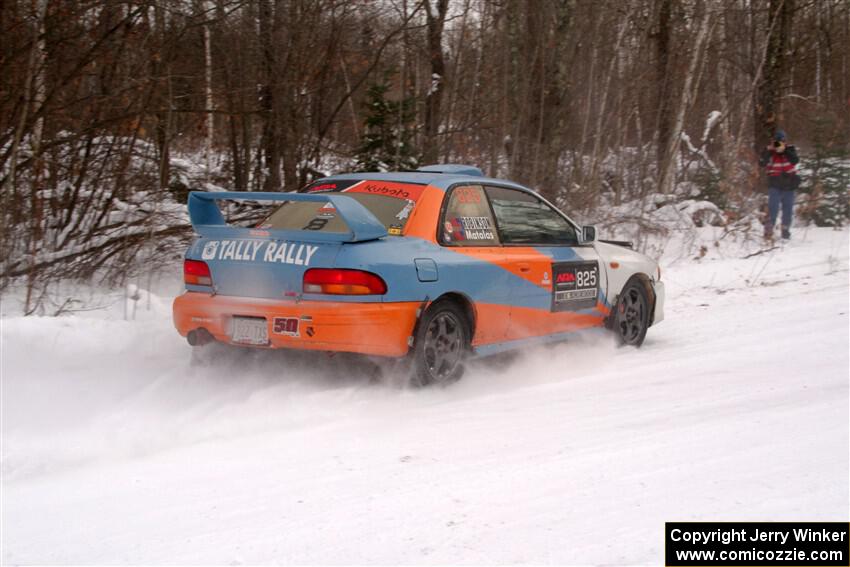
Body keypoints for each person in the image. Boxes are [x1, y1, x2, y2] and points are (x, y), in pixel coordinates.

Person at [759, 129, 800, 240]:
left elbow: (795, 160)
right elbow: (762, 163)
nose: (779, 144)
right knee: (773, 208)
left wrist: (784, 150)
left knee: (788, 209)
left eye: (781, 141)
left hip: (789, 184)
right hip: (775, 184)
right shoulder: (769, 151)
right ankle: (768, 230)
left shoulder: (790, 149)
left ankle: (785, 230)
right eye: (777, 141)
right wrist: (769, 150)